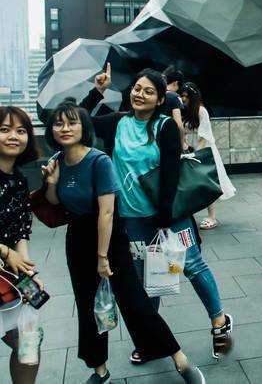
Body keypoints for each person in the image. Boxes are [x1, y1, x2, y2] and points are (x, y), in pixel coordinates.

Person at [41, 101, 204, 384]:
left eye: (72, 122)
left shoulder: (98, 160)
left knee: (134, 301)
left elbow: (106, 212)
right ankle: (100, 370)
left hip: (109, 237)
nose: (65, 129)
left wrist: (102, 257)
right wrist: (52, 182)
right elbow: (55, 203)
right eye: (58, 123)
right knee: (88, 305)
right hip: (77, 238)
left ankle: (179, 359)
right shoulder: (57, 160)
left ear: (84, 127)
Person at [80, 67, 233, 363]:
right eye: (137, 88)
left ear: (160, 99)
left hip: (168, 216)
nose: (140, 94)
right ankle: (152, 338)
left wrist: (164, 217)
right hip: (132, 218)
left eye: (148, 91)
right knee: (148, 279)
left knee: (192, 266)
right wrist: (97, 91)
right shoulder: (117, 124)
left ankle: (219, 321)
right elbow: (76, 120)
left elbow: (172, 173)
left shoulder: (164, 127)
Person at [0, 106, 41, 384]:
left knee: (29, 341)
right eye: (4, 130)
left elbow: (21, 231)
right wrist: (5, 253)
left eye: (21, 130)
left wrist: (27, 273)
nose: (13, 136)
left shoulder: (19, 180)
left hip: (6, 280)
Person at [180, 82, 236, 230]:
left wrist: (197, 154)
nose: (184, 99)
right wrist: (184, 146)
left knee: (206, 182)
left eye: (187, 96)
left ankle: (212, 216)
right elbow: (182, 131)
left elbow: (204, 136)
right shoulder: (182, 110)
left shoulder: (201, 110)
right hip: (189, 150)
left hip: (203, 150)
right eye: (183, 96)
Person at [162, 65, 188, 152]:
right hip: (170, 140)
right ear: (175, 83)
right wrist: (182, 143)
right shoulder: (174, 97)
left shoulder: (157, 95)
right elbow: (179, 125)